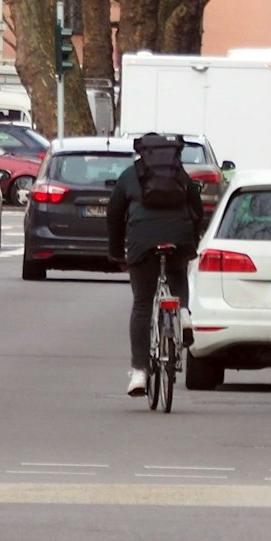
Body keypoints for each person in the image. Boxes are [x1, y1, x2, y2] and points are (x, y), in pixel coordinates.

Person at [107, 133, 208, 397]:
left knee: (142, 303)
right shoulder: (180, 175)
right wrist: (191, 243)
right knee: (177, 273)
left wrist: (118, 253)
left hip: (142, 241)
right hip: (178, 237)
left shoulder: (130, 176)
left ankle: (140, 372)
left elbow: (114, 215)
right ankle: (184, 314)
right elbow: (196, 210)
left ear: (142, 152)